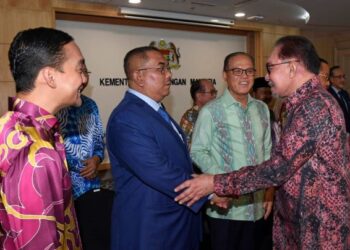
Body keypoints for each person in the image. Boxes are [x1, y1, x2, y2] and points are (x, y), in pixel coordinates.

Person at [175, 36, 350, 249]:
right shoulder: (303, 104)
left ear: (292, 68)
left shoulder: (313, 107)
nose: (266, 77)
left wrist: (215, 183)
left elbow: (278, 167)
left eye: (270, 68)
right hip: (296, 222)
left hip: (316, 228)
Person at [106, 46, 208, 250]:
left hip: (176, 224)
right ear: (139, 76)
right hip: (152, 230)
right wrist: (209, 191)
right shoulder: (126, 118)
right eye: (161, 69)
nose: (169, 74)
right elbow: (158, 170)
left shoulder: (155, 110)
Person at [0, 27, 83, 249]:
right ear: (50, 76)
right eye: (80, 69)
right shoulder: (30, 148)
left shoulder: (26, 130)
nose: (84, 79)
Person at [190, 52, 273, 250]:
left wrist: (270, 191)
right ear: (225, 75)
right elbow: (198, 151)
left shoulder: (262, 109)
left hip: (259, 207)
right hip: (227, 210)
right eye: (237, 71)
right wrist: (225, 182)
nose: (244, 76)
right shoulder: (211, 110)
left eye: (249, 71)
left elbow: (269, 152)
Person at [56, 69, 114, 250]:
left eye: (85, 72)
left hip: (91, 187)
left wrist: (96, 159)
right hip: (64, 193)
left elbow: (98, 141)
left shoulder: (90, 105)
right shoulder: (54, 107)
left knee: (93, 239)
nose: (83, 79)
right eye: (78, 72)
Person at [180, 79, 217, 148]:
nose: (215, 96)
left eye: (215, 92)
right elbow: (186, 147)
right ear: (199, 96)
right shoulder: (190, 117)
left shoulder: (217, 113)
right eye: (212, 92)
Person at [328, 65, 350, 133]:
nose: (343, 80)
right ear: (331, 79)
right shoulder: (328, 94)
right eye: (339, 77)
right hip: (338, 133)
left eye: (343, 76)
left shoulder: (344, 93)